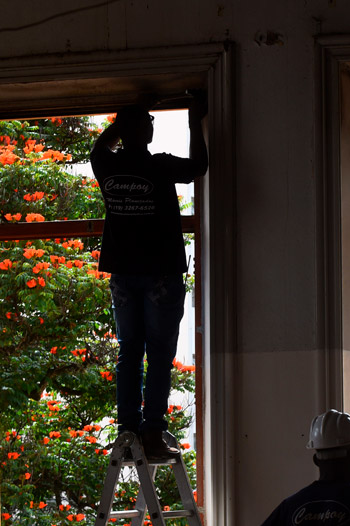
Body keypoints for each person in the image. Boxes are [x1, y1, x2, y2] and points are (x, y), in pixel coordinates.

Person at [90, 90, 208, 460]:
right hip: (160, 273)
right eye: (150, 123)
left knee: (130, 351)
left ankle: (127, 431)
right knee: (158, 354)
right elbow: (199, 167)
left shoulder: (105, 165)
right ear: (146, 131)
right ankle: (152, 431)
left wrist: (126, 121)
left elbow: (101, 145)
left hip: (123, 274)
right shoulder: (159, 166)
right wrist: (194, 119)